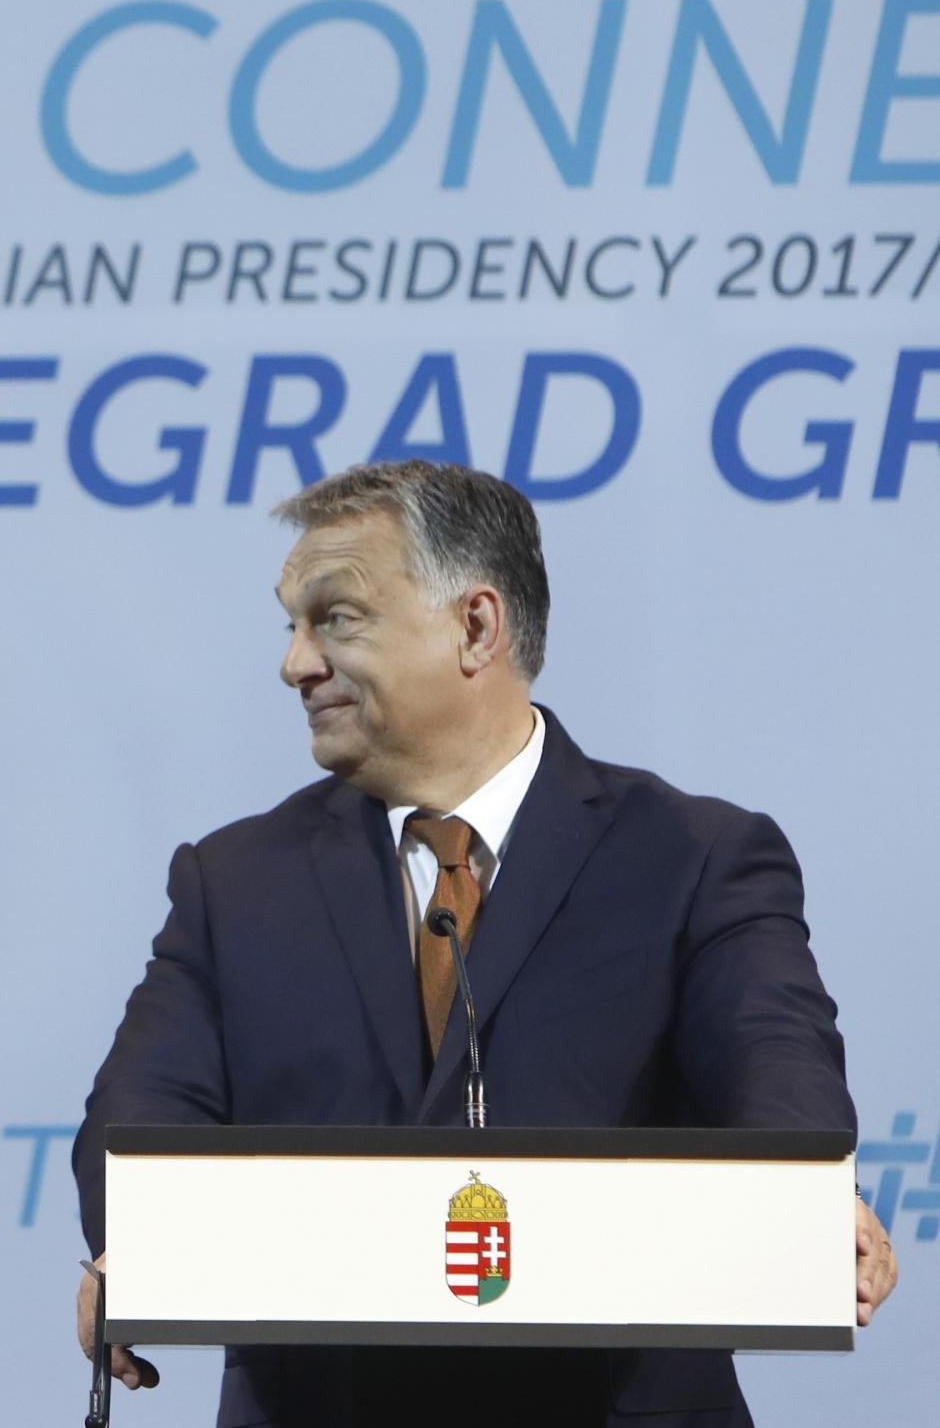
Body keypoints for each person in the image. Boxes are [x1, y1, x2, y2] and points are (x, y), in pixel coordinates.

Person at [70, 460, 896, 1427]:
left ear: (476, 627)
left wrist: (799, 1193)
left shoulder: (696, 856)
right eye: (292, 625)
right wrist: (143, 1238)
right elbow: (142, 1110)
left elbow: (773, 1060)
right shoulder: (235, 878)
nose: (295, 663)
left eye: (335, 619)